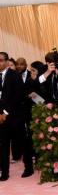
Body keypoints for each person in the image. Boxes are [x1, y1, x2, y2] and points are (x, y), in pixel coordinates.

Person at [0, 52, 25, 181]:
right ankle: (4, 173)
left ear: (6, 61)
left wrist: (5, 113)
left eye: (1, 60)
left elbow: (18, 96)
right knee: (3, 146)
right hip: (1, 117)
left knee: (22, 141)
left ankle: (29, 167)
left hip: (14, 116)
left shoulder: (14, 75)